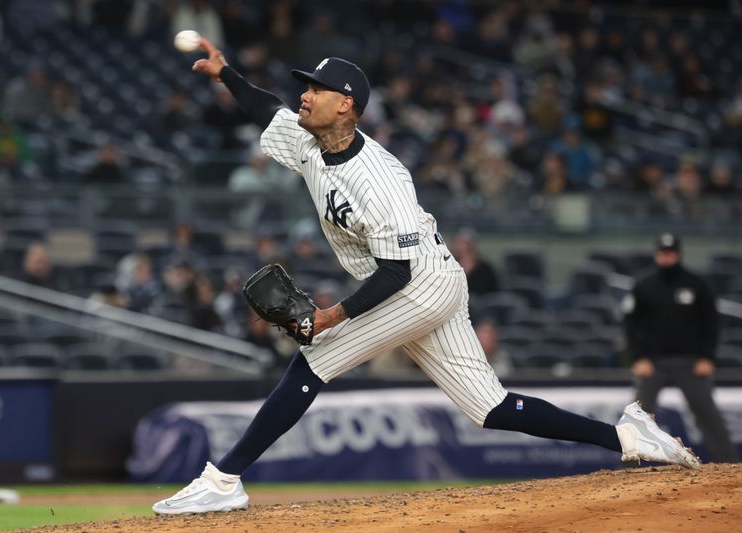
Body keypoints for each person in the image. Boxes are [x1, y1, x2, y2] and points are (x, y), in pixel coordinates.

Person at [152, 39, 701, 515]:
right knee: (490, 408)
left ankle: (222, 481)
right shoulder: (308, 139)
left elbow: (396, 272)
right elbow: (264, 107)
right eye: (306, 86)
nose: (304, 94)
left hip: (418, 284)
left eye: (316, 88)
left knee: (312, 360)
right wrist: (225, 73)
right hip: (422, 279)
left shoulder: (381, 180)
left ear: (346, 106)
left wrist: (332, 316)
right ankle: (629, 436)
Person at [623, 233, 739, 463]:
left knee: (709, 415)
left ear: (678, 254)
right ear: (657, 254)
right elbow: (631, 325)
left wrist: (707, 357)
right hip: (653, 363)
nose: (667, 257)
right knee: (638, 416)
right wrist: (638, 358)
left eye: (671, 253)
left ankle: (731, 465)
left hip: (691, 363)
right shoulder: (644, 286)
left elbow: (711, 323)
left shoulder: (696, 284)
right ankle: (630, 467)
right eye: (663, 253)